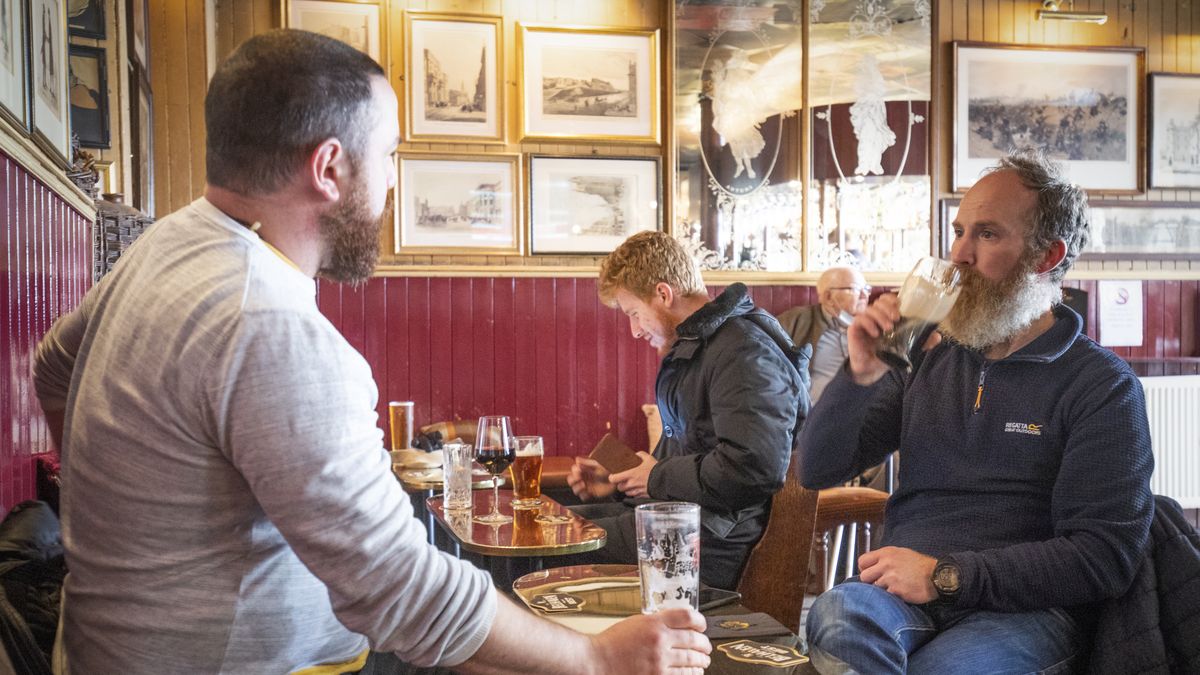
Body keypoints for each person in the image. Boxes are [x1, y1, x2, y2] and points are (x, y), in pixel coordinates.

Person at [33, 30, 711, 674]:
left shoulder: (166, 245)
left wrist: (131, 516)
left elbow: (53, 364)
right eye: (389, 155)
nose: (391, 183)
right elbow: (400, 592)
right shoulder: (266, 321)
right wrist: (598, 657)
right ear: (328, 167)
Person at [798, 149, 1154, 673]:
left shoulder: (1100, 385)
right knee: (836, 616)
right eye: (959, 231)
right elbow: (817, 469)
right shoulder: (929, 359)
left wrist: (947, 575)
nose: (959, 254)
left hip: (1026, 611)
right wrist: (860, 374)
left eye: (986, 234)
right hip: (899, 592)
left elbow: (1105, 556)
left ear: (1047, 256)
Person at [566, 231, 810, 591]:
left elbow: (754, 468)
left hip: (710, 543)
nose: (634, 330)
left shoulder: (743, 351)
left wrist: (655, 478)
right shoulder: (701, 347)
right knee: (552, 526)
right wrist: (622, 484)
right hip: (678, 522)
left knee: (542, 548)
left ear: (663, 294)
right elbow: (682, 459)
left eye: (634, 313)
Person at [776, 266, 870, 404]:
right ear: (828, 297)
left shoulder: (876, 328)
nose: (864, 296)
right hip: (812, 415)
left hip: (864, 413)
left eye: (866, 289)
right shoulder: (795, 321)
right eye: (854, 289)